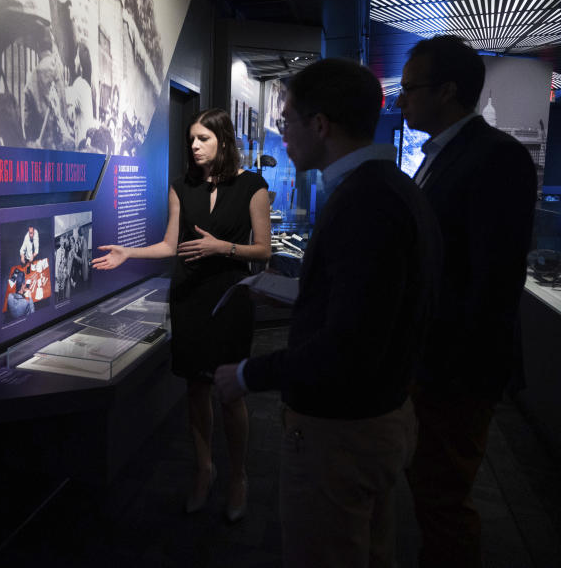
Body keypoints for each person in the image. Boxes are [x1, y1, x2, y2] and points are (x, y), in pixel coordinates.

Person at [215, 58, 442, 567]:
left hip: (341, 433)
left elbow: (348, 345)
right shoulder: (394, 191)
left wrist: (249, 373)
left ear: (321, 125)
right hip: (380, 415)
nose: (284, 135)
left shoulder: (364, 203)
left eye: (286, 122)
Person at [396, 35, 537, 568]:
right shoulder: (443, 155)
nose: (401, 100)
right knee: (430, 492)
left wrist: (447, 373)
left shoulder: (497, 159)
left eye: (411, 89)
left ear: (448, 91)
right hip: (431, 362)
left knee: (443, 500)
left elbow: (492, 284)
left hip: (456, 372)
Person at [93, 108, 271, 521]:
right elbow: (170, 244)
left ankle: (239, 476)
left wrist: (221, 248)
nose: (193, 146)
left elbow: (263, 250)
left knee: (231, 391)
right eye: (191, 139)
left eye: (203, 139)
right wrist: (129, 252)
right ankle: (203, 469)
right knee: (195, 389)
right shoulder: (180, 186)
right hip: (189, 297)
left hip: (230, 298)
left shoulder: (252, 186)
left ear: (223, 141)